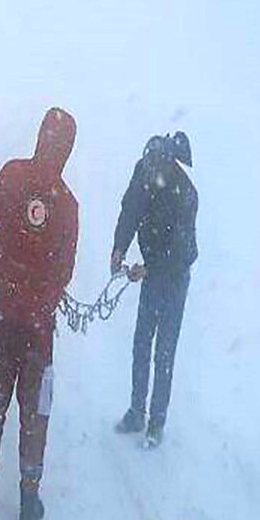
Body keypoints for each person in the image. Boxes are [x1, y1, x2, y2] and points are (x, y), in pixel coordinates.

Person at [0, 107, 78, 520]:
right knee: (35, 409)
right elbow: (66, 270)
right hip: (38, 325)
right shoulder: (67, 204)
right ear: (68, 149)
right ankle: (29, 495)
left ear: (39, 137)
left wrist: (9, 234)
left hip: (1, 314)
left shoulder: (12, 174)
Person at [110, 131, 198, 449]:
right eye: (148, 168)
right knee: (141, 343)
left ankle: (156, 423)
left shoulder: (186, 194)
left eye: (155, 170)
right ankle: (136, 411)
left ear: (169, 166)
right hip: (152, 274)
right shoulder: (144, 172)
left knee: (164, 352)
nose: (150, 175)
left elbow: (185, 251)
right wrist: (119, 247)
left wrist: (150, 268)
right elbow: (130, 210)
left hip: (174, 278)